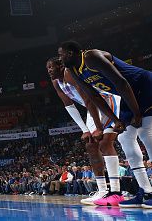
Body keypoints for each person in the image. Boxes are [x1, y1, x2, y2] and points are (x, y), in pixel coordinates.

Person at [59, 41, 152, 208]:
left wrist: (137, 113)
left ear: (71, 53)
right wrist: (115, 120)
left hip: (144, 86)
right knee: (125, 138)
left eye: (62, 54)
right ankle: (146, 191)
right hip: (128, 96)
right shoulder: (75, 71)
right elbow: (94, 97)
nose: (60, 58)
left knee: (146, 133)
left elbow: (121, 82)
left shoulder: (91, 57)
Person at [46, 56, 122, 205]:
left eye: (51, 67)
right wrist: (84, 130)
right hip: (92, 108)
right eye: (47, 68)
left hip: (105, 100)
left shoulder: (69, 73)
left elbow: (88, 98)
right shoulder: (56, 82)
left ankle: (115, 191)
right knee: (90, 145)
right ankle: (102, 191)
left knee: (105, 143)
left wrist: (97, 127)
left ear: (61, 66)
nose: (48, 70)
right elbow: (69, 105)